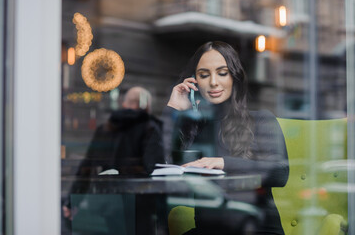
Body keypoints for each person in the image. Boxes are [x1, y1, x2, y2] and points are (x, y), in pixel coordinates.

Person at [166, 41, 289, 234]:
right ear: (194, 81)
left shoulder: (260, 119)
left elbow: (280, 172)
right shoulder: (195, 128)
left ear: (234, 77)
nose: (213, 82)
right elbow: (158, 166)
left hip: (257, 229)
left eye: (222, 73)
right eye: (204, 75)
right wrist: (173, 110)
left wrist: (221, 163)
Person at [63, 86, 166, 222]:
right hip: (139, 206)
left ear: (124, 105)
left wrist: (72, 201)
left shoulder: (105, 129)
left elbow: (86, 166)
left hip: (107, 202)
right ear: (147, 106)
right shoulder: (150, 128)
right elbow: (154, 170)